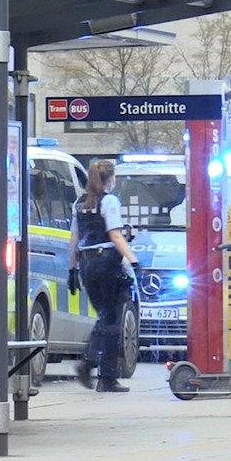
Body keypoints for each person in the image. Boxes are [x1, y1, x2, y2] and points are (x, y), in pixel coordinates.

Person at [68, 159, 140, 393]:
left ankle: (102, 374)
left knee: (106, 317)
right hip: (107, 263)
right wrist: (134, 260)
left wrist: (72, 270)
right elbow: (116, 235)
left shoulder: (79, 204)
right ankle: (96, 369)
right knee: (112, 320)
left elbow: (74, 239)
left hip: (87, 264)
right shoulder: (109, 201)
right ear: (111, 178)